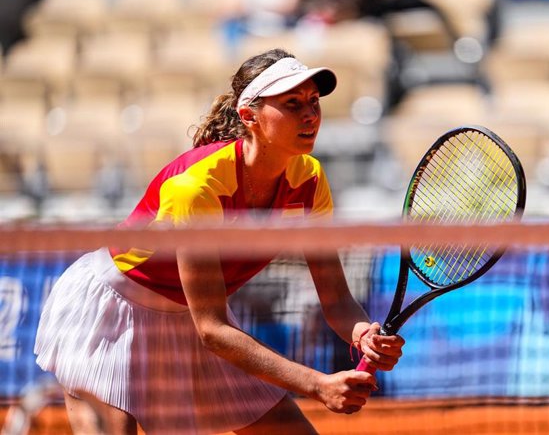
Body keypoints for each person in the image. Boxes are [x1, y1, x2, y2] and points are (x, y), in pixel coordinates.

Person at [34, 48, 405, 435]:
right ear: (250, 117)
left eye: (313, 101)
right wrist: (318, 384)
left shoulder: (309, 180)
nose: (310, 114)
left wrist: (362, 332)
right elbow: (211, 330)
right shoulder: (196, 188)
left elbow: (337, 300)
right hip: (112, 312)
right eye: (292, 103)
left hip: (192, 318)